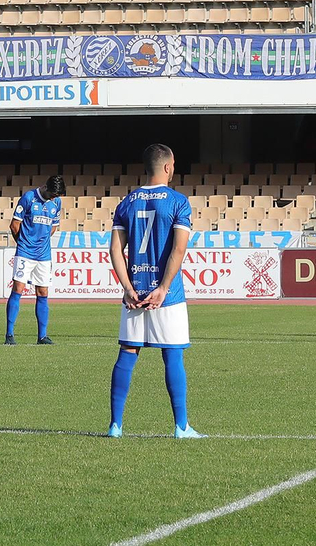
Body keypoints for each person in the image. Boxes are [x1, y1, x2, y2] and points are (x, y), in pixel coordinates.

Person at [106, 144, 202, 439]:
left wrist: (126, 287)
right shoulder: (178, 202)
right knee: (172, 355)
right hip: (167, 297)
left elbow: (114, 249)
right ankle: (181, 426)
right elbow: (179, 248)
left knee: (127, 352)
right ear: (168, 167)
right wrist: (163, 287)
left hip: (134, 292)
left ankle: (115, 425)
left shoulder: (127, 202)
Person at [6, 175, 65, 345]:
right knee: (18, 289)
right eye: (53, 194)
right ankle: (9, 335)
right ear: (46, 187)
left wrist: (42, 241)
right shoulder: (29, 198)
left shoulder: (57, 203)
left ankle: (42, 336)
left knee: (43, 292)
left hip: (43, 255)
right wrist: (24, 243)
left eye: (57, 196)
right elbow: (14, 225)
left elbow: (54, 225)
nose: (55, 198)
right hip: (25, 252)